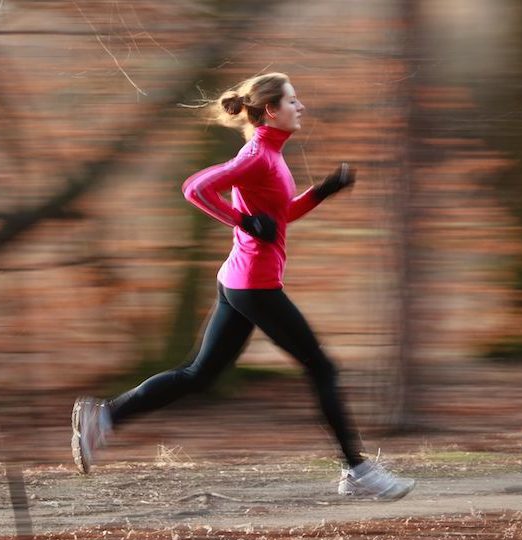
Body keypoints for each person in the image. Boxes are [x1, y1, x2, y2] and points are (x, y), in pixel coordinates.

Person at [72, 72, 414, 500]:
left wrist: (322, 191)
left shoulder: (269, 155)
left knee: (200, 374)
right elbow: (194, 188)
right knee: (321, 368)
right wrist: (242, 221)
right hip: (254, 283)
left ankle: (104, 417)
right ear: (271, 110)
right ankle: (358, 470)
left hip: (238, 278)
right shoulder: (258, 156)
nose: (300, 106)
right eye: (293, 101)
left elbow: (279, 216)